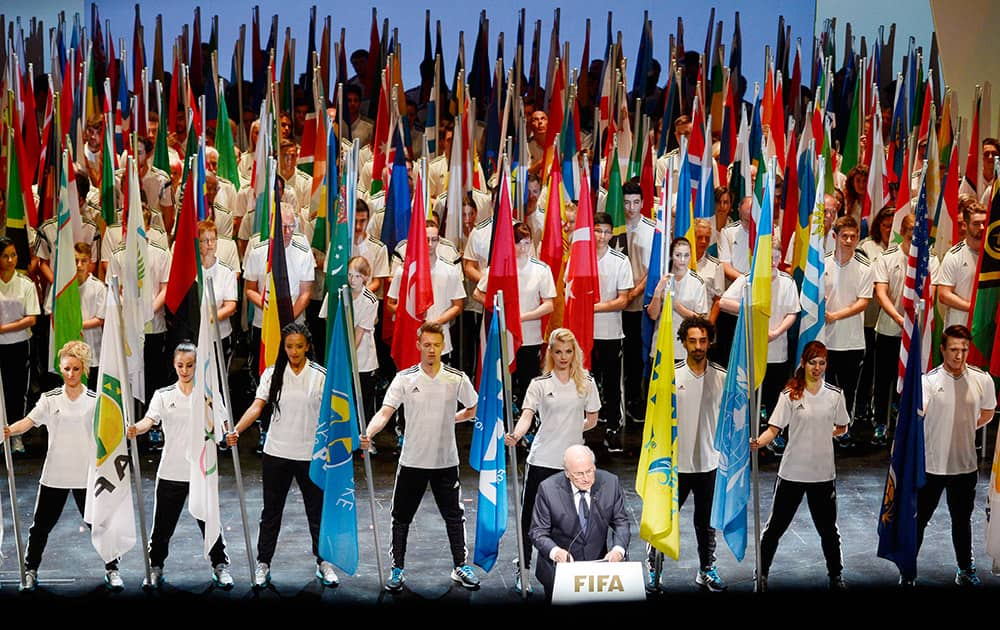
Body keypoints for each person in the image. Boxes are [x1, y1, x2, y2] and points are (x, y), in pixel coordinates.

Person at [360, 322, 481, 593]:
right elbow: (385, 412)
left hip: (445, 461)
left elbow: (473, 407)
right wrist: (368, 433)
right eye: (426, 345)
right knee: (401, 517)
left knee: (454, 516)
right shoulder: (405, 378)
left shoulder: (456, 378)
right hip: (412, 461)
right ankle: (397, 569)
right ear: (418, 345)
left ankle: (460, 565)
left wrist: (454, 418)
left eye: (436, 345)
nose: (431, 350)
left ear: (443, 346)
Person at [226, 323, 340, 589]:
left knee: (317, 512)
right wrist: (237, 430)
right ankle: (263, 563)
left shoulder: (321, 375)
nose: (294, 351)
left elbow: (334, 414)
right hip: (277, 453)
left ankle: (324, 562)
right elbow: (257, 406)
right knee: (271, 512)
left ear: (308, 346)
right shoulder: (272, 374)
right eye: (289, 346)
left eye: (299, 346)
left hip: (311, 455)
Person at [4, 341, 124, 591]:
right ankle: (30, 570)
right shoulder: (50, 399)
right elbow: (29, 422)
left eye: (76, 369)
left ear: (84, 370)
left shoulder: (94, 401)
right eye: (67, 369)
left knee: (99, 525)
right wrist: (8, 431)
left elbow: (109, 433)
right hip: (55, 475)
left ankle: (112, 569)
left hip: (86, 476)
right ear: (61, 368)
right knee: (40, 527)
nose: (71, 374)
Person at [126, 342, 233, 589]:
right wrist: (136, 429)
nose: (185, 370)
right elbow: (149, 420)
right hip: (171, 471)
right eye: (180, 365)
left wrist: (229, 436)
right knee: (162, 527)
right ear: (174, 365)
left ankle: (220, 566)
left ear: (197, 365)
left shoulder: (209, 394)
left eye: (190, 365)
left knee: (210, 522)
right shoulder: (163, 395)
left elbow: (223, 424)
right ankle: (155, 567)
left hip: (201, 472)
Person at [503, 328, 600, 593]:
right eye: (558, 351)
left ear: (575, 353)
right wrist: (516, 435)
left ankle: (569, 570)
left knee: (574, 521)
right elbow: (526, 416)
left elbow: (591, 419)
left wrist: (571, 430)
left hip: (573, 465)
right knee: (530, 520)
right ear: (551, 353)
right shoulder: (539, 384)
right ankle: (523, 569)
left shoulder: (586, 382)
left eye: (568, 351)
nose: (563, 357)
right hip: (542, 460)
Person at [751, 341, 850, 592]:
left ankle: (836, 576)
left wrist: (827, 433)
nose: (817, 368)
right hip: (792, 473)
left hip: (823, 474)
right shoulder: (789, 395)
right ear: (803, 364)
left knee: (828, 530)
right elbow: (774, 429)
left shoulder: (835, 395)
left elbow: (843, 426)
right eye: (812, 362)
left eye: (822, 363)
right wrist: (758, 442)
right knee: (775, 528)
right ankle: (761, 574)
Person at [903, 325, 996, 588]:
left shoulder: (982, 379)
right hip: (931, 467)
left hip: (965, 467)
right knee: (919, 520)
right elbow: (916, 420)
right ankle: (908, 570)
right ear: (942, 349)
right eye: (954, 349)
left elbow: (987, 413)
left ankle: (965, 568)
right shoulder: (928, 381)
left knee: (961, 520)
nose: (959, 355)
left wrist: (961, 429)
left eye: (964, 349)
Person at [645, 316, 727, 593]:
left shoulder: (722, 377)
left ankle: (706, 569)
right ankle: (654, 569)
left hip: (708, 463)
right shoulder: (670, 376)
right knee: (663, 519)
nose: (698, 346)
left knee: (706, 524)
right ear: (683, 342)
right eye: (692, 340)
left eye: (703, 340)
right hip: (674, 465)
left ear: (710, 342)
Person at [529, 444, 631, 601]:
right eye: (579, 474)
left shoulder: (610, 483)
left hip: (598, 573)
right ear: (567, 473)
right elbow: (538, 532)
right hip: (559, 572)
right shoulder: (548, 489)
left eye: (590, 471)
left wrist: (618, 550)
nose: (586, 478)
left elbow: (621, 523)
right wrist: (556, 552)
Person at [473, 222, 556, 414]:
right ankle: (504, 421)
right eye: (519, 243)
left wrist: (522, 317)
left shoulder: (541, 269)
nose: (523, 248)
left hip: (530, 335)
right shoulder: (499, 267)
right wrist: (500, 309)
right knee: (504, 380)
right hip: (504, 334)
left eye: (527, 243)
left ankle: (529, 423)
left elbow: (549, 304)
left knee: (528, 380)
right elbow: (478, 293)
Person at [820, 215, 872, 448]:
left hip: (852, 340)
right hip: (826, 340)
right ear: (835, 236)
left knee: (848, 389)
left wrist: (834, 316)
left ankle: (844, 429)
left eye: (853, 236)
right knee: (826, 387)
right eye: (844, 236)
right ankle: (825, 428)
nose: (849, 241)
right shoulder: (822, 264)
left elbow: (863, 303)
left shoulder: (865, 267)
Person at [592, 212, 635, 453]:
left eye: (607, 232)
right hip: (584, 331)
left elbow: (623, 300)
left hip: (610, 332)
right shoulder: (581, 257)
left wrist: (595, 308)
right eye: (598, 231)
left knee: (610, 384)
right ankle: (584, 427)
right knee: (586, 382)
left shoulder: (620, 260)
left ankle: (612, 428)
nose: (602, 236)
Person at [0, 236, 41, 455]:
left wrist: (4, 328)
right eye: (5, 256)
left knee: (17, 391)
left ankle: (16, 436)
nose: (10, 260)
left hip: (18, 345)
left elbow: (31, 318)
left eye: (13, 255)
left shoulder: (25, 283)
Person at [646, 237, 708, 361]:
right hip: (661, 344)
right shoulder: (661, 278)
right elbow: (652, 315)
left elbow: (701, 320)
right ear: (671, 256)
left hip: (684, 349)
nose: (682, 260)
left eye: (686, 255)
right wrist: (658, 291)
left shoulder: (697, 282)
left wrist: (676, 305)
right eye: (678, 255)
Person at [936, 202, 987, 328]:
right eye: (976, 223)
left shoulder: (993, 254)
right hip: (960, 328)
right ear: (965, 225)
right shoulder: (954, 256)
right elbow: (943, 295)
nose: (981, 227)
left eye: (984, 223)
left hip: (987, 328)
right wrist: (975, 308)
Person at [198, 220, 238, 365]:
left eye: (213, 240)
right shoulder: (190, 272)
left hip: (219, 337)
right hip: (196, 337)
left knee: (220, 382)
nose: (210, 244)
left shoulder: (226, 271)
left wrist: (209, 318)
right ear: (198, 243)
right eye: (205, 240)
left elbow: (230, 306)